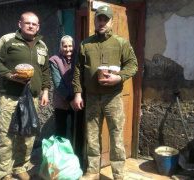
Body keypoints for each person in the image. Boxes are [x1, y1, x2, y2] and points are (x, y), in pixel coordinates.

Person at [72, 5, 138, 180]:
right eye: (99, 19)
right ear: (94, 21)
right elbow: (78, 70)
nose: (102, 23)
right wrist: (78, 93)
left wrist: (120, 78)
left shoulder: (121, 42)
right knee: (92, 135)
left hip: (113, 97)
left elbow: (133, 64)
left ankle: (118, 174)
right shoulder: (86, 44)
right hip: (92, 96)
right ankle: (93, 171)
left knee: (116, 135)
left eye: (106, 20)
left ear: (112, 22)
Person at [0, 12, 50, 180]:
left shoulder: (42, 46)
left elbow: (45, 71)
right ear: (20, 24)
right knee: (6, 136)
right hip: (10, 96)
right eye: (27, 23)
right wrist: (10, 76)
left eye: (34, 24)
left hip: (32, 97)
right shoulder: (8, 40)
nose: (31, 26)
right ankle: (4, 173)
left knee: (28, 135)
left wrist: (45, 90)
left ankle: (20, 167)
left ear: (38, 26)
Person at [49, 35, 76, 140]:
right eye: (65, 46)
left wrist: (76, 98)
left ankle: (77, 154)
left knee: (76, 130)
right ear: (61, 47)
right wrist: (70, 99)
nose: (68, 49)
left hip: (77, 100)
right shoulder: (55, 60)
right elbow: (58, 83)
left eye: (70, 46)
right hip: (61, 100)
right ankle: (61, 154)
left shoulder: (78, 58)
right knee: (60, 131)